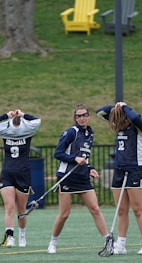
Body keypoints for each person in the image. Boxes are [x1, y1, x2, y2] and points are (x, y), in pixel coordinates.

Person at [47, 105, 110, 254]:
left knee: (95, 209)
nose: (82, 118)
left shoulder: (89, 134)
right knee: (64, 214)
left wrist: (90, 168)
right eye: (78, 116)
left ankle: (107, 240)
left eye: (84, 115)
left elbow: (85, 156)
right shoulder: (71, 133)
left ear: (88, 116)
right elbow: (58, 153)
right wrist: (74, 158)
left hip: (82, 178)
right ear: (75, 118)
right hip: (67, 177)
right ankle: (53, 242)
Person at [96, 102, 142, 255]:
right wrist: (116, 106)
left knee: (138, 210)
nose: (117, 122)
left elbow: (134, 116)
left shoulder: (140, 127)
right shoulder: (120, 126)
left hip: (135, 170)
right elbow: (100, 112)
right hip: (119, 171)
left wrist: (125, 106)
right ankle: (121, 245)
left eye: (122, 118)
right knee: (121, 210)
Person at [0, 109, 41, 248]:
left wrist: (23, 114)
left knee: (21, 210)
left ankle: (22, 234)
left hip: (23, 174)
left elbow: (37, 120)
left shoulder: (27, 131)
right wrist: (6, 115)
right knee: (9, 207)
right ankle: (10, 236)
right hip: (8, 173)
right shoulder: (6, 132)